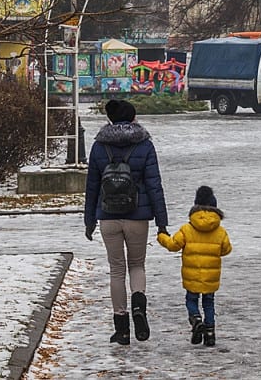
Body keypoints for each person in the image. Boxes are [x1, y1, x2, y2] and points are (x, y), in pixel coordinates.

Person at [84, 98, 169, 346]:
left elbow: (91, 187)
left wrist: (89, 219)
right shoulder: (144, 145)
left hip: (108, 217)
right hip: (137, 217)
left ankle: (121, 328)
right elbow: (155, 185)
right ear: (133, 118)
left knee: (116, 270)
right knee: (137, 265)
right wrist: (161, 222)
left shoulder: (100, 146)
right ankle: (139, 306)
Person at [157, 184, 233, 348]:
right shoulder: (220, 231)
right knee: (209, 303)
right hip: (210, 278)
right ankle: (210, 333)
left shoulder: (187, 229)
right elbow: (226, 249)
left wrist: (162, 235)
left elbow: (173, 245)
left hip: (192, 276)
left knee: (191, 300)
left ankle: (196, 319)